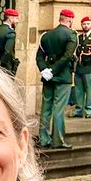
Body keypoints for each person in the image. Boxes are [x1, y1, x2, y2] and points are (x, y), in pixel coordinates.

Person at [36, 8, 77, 149]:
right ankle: (58, 140)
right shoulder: (71, 35)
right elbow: (67, 56)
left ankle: (43, 139)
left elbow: (39, 56)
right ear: (70, 20)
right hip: (63, 76)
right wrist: (53, 71)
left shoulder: (46, 35)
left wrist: (44, 70)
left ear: (60, 19)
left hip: (48, 77)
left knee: (46, 108)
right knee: (58, 109)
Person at [72, 15, 91, 118]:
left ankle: (90, 110)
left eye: (88, 24)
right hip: (79, 67)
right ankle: (79, 110)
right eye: (84, 24)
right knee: (78, 90)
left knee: (89, 90)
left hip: (89, 67)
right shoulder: (79, 38)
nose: (86, 26)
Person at [0, 8, 21, 73]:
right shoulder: (10, 33)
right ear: (10, 19)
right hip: (5, 68)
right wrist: (0, 65)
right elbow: (8, 51)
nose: (17, 21)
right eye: (16, 18)